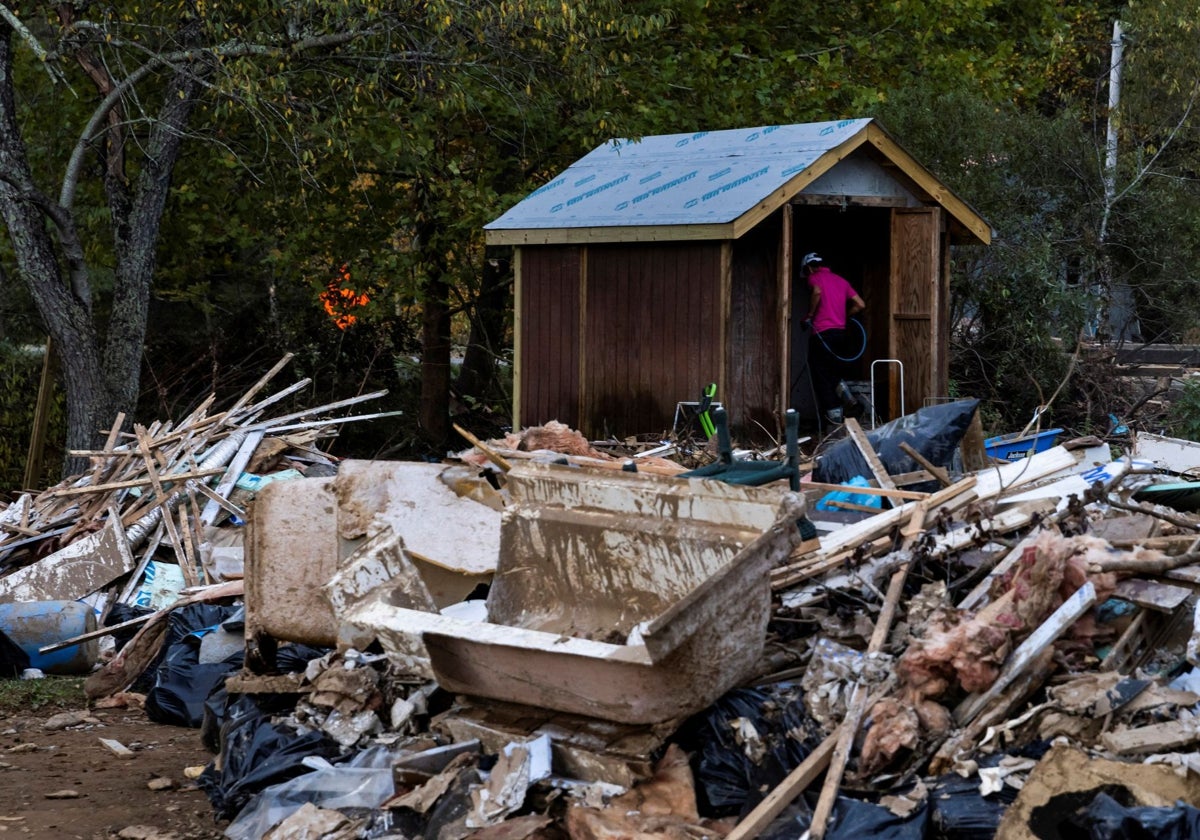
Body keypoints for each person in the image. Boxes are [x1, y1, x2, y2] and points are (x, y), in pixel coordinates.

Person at [802, 252, 865, 424]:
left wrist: (810, 315)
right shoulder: (841, 281)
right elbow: (860, 304)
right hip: (840, 335)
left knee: (820, 375)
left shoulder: (814, 278)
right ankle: (848, 398)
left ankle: (835, 421)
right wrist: (844, 317)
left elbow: (816, 292)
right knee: (833, 372)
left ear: (808, 268)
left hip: (822, 334)